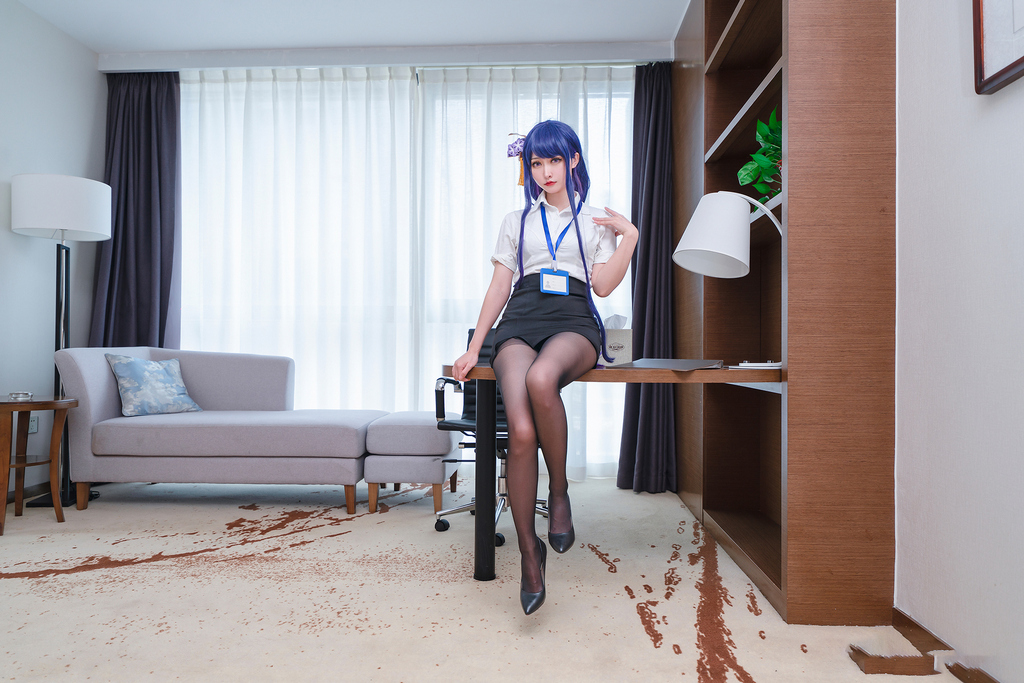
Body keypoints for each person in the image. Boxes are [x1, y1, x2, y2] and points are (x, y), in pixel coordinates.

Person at [452, 120, 638, 615]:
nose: (545, 171)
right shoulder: (517, 221)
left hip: (573, 319)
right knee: (520, 431)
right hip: (521, 317)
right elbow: (500, 285)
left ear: (572, 160)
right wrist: (476, 345)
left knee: (541, 379)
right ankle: (529, 552)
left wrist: (630, 237)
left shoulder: (594, 220)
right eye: (536, 162)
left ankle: (559, 492)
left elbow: (603, 286)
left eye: (554, 160)